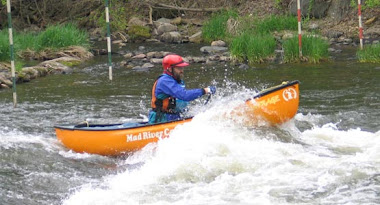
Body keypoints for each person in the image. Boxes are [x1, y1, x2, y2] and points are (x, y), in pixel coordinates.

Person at [148, 54, 216, 124]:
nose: (182, 71)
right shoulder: (165, 81)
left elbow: (182, 103)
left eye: (182, 68)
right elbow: (184, 95)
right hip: (161, 119)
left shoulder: (177, 80)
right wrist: (205, 90)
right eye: (179, 68)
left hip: (174, 117)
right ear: (170, 69)